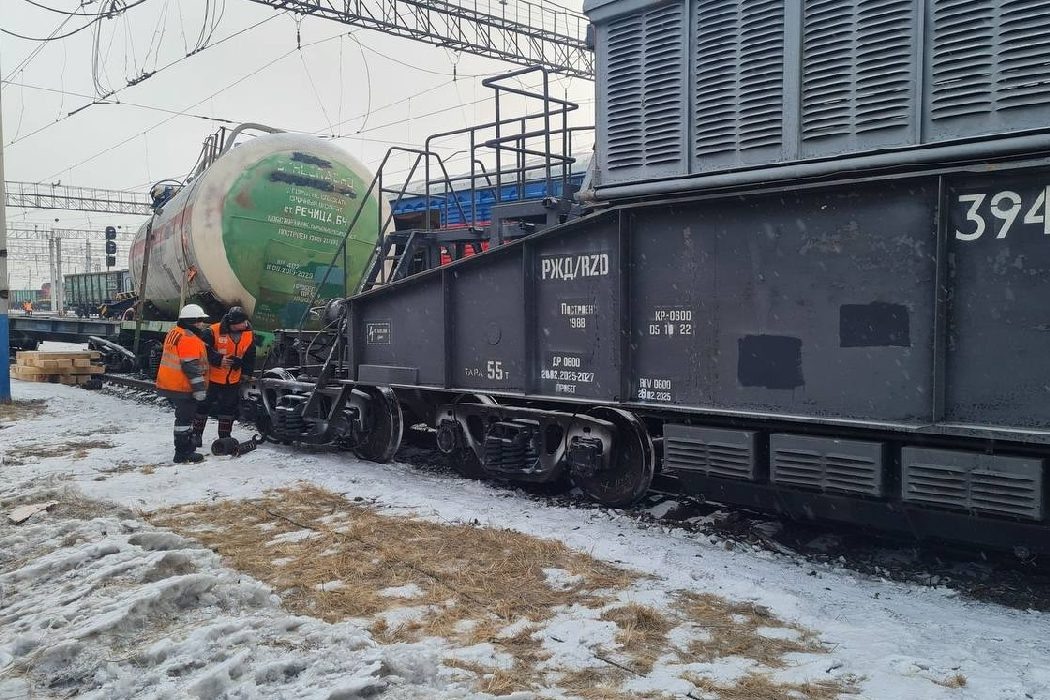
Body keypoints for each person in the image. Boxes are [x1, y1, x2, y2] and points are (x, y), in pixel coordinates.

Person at [193, 305, 256, 446]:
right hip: (212, 378)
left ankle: (225, 437)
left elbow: (250, 355)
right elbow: (202, 349)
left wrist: (246, 372)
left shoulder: (249, 334)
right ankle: (196, 435)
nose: (246, 324)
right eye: (243, 322)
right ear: (233, 323)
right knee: (203, 406)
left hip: (232, 379)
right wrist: (218, 359)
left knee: (228, 409)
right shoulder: (213, 331)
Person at [155, 304, 210, 463]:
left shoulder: (174, 332)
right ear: (191, 321)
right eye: (199, 320)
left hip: (170, 384)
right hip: (182, 386)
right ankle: (183, 452)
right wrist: (199, 389)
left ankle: (185, 449)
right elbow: (191, 367)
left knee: (184, 419)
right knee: (185, 420)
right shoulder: (189, 338)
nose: (202, 324)